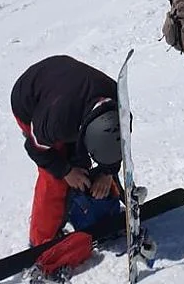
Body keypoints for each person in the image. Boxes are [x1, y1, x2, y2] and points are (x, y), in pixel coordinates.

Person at [11, 55, 123, 281]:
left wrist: (107, 171)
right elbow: (35, 148)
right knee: (54, 178)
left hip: (69, 96)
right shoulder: (54, 123)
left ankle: (95, 209)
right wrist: (65, 171)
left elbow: (117, 144)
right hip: (29, 99)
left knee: (80, 162)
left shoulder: (120, 105)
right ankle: (41, 241)